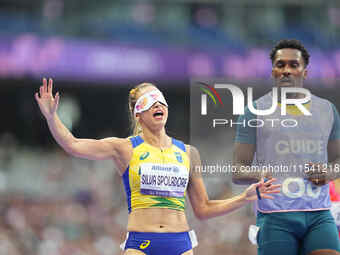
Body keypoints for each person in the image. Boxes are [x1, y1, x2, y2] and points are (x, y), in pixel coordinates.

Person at [35, 78, 280, 255]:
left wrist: (245, 197)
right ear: (137, 114)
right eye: (149, 101)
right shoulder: (125, 148)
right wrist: (51, 117)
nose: (157, 105)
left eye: (160, 100)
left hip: (180, 244)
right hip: (141, 242)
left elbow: (203, 209)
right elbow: (73, 145)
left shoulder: (188, 153)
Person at [232, 39, 340, 255]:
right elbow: (237, 171)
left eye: (294, 65)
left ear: (305, 72)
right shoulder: (254, 111)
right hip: (276, 217)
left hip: (319, 213)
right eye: (280, 65)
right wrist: (263, 173)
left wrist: (328, 172)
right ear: (273, 71)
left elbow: (338, 162)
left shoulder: (327, 110)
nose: (286, 71)